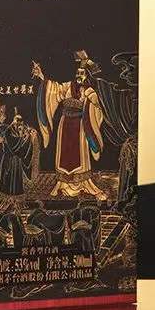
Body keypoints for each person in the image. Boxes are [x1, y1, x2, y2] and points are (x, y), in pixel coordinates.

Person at [32, 50, 106, 199]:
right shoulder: (67, 87)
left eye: (82, 74)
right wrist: (41, 76)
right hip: (65, 124)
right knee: (64, 153)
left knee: (79, 153)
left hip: (80, 126)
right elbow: (54, 89)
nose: (79, 76)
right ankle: (62, 183)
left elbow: (98, 106)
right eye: (77, 73)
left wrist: (92, 101)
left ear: (86, 76)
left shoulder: (89, 91)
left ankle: (83, 183)